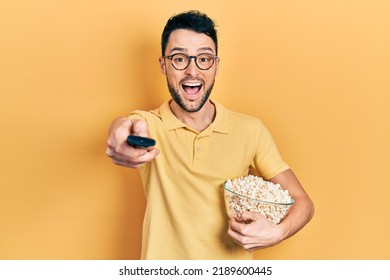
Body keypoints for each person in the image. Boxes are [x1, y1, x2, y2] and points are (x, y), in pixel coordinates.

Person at [106, 10, 314, 260]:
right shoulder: (152, 125)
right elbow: (126, 126)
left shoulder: (250, 130)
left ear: (216, 65)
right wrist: (120, 134)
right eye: (179, 59)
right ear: (163, 65)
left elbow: (303, 202)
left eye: (203, 59)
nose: (192, 71)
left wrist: (277, 233)